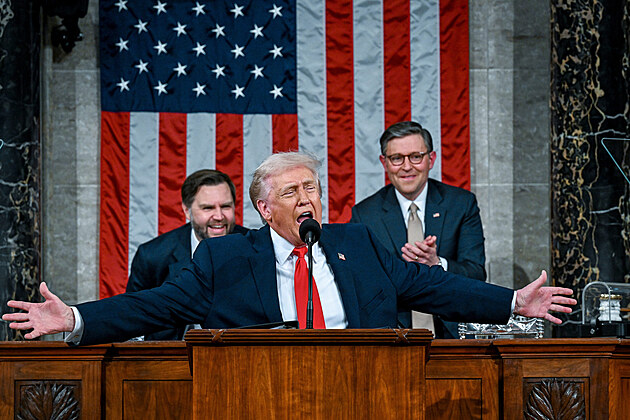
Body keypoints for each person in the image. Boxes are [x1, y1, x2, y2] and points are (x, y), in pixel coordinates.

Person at [3, 152, 575, 346]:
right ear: (263, 208)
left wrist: (510, 303)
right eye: (292, 192)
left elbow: (433, 287)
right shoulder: (226, 258)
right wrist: (75, 318)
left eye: (312, 189)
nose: (307, 200)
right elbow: (153, 305)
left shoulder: (357, 243)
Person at [351, 121, 485, 338]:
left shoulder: (461, 204)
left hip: (452, 334)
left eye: (415, 156)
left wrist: (437, 264)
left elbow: (476, 274)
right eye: (397, 158)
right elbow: (361, 284)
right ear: (384, 163)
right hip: (393, 336)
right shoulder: (365, 215)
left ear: (431, 159)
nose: (406, 167)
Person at [126, 169, 249, 340]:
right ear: (187, 211)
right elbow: (132, 318)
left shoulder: (255, 248)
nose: (219, 216)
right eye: (208, 208)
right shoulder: (153, 256)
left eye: (226, 206)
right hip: (171, 352)